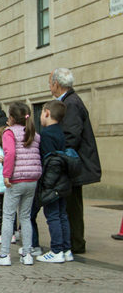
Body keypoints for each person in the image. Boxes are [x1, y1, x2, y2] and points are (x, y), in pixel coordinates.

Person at [49, 68, 102, 255]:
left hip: (73, 164)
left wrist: (59, 156)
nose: (49, 87)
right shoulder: (69, 101)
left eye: (50, 83)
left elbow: (71, 135)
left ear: (56, 84)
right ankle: (73, 241)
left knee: (72, 205)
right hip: (73, 162)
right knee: (71, 204)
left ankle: (75, 243)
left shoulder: (70, 103)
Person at [0, 102, 41, 266]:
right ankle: (27, 253)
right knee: (25, 216)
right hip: (32, 179)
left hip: (16, 179)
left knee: (8, 216)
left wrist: (6, 174)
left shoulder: (9, 133)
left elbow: (10, 153)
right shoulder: (33, 133)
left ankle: (4, 254)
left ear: (11, 117)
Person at [36, 100, 71, 262]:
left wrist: (46, 183)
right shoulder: (60, 132)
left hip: (52, 181)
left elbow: (48, 160)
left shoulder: (46, 134)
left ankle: (56, 250)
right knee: (62, 214)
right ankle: (66, 249)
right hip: (63, 179)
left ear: (47, 113)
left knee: (53, 215)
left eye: (42, 112)